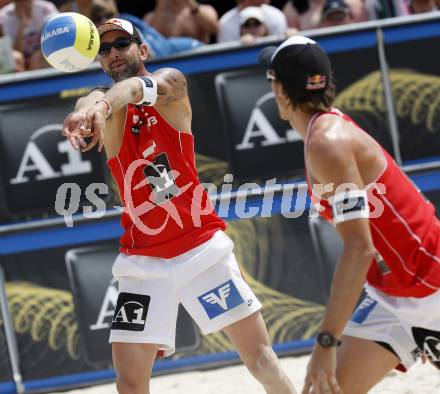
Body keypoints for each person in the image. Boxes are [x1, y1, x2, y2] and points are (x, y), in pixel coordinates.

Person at [62, 17, 297, 394]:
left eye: (121, 44)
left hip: (201, 249)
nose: (112, 53)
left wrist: (101, 105)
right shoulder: (108, 110)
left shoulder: (172, 84)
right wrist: (86, 110)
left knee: (262, 361)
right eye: (103, 50)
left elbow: (131, 90)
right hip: (142, 262)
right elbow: (90, 98)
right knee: (129, 383)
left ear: (143, 50)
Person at [259, 35, 440, 393]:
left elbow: (360, 249)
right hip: (396, 295)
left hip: (431, 283)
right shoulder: (325, 133)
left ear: (281, 91)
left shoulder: (328, 142)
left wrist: (326, 341)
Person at [0, 0, 58, 70]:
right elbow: (14, 53)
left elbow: (56, 36)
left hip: (41, 58)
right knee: (16, 58)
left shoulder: (46, 9)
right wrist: (22, 26)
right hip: (21, 64)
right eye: (19, 1)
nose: (23, 3)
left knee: (37, 58)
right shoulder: (4, 17)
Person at [144, 0, 218, 44]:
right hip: (168, 66)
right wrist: (160, 7)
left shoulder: (204, 10)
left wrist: (191, 4)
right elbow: (150, 41)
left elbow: (213, 29)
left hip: (199, 62)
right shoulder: (151, 17)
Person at [218, 0, 288, 43]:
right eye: (247, 25)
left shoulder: (276, 15)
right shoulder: (225, 22)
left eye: (257, 24)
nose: (252, 28)